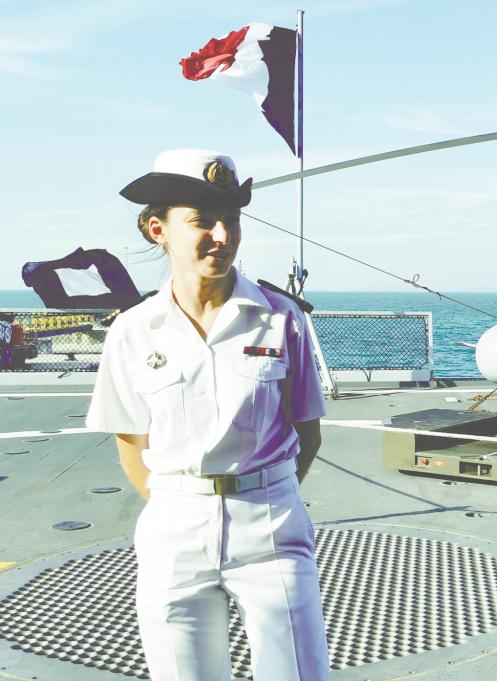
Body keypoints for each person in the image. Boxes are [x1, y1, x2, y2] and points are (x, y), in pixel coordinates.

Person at [86, 149, 330, 681]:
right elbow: (132, 442)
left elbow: (306, 432)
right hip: (174, 527)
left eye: (231, 220)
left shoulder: (281, 318)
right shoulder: (132, 331)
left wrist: (263, 490)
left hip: (270, 521)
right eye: (201, 221)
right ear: (159, 230)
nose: (222, 235)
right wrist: (183, 502)